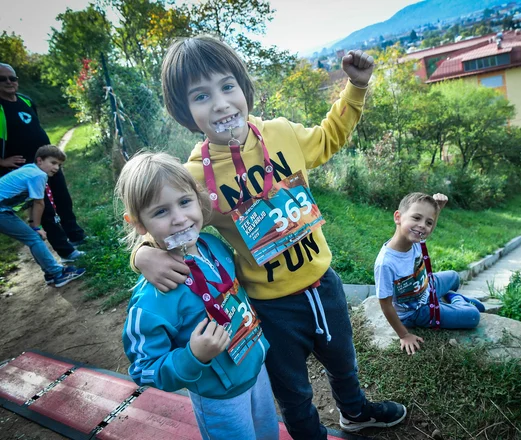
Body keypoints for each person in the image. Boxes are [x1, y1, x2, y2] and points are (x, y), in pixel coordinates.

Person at [131, 36, 406, 439]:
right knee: (292, 389)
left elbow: (330, 135)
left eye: (228, 86)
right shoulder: (192, 177)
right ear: (185, 113)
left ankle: (354, 411)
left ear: (244, 88)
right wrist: (143, 254)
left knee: (343, 360)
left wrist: (357, 87)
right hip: (270, 307)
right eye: (201, 96)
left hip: (324, 283)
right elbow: (168, 220)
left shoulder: (279, 133)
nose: (221, 103)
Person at [117, 152, 278, 440]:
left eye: (184, 202)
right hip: (219, 396)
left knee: (267, 433)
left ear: (197, 197)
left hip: (256, 369)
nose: (179, 219)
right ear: (138, 223)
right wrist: (194, 357)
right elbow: (143, 369)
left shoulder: (214, 245)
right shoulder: (151, 300)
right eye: (160, 212)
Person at [375, 193, 484, 356]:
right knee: (474, 315)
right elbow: (385, 305)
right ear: (398, 217)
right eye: (416, 218)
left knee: (454, 276)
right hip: (416, 310)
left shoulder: (415, 240)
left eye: (428, 222)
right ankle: (456, 300)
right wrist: (404, 335)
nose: (422, 226)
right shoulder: (386, 263)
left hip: (426, 286)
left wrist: (438, 209)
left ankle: (448, 298)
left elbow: (426, 227)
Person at [0, 62, 86, 263]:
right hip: (26, 169)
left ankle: (75, 235)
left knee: (63, 198)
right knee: (44, 207)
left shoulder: (26, 101)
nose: (8, 82)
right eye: (2, 79)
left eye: (12, 78)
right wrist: (2, 161)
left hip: (48, 161)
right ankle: (66, 252)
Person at [0, 145, 85, 287]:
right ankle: (58, 274)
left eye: (59, 164)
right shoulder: (39, 175)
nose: (57, 167)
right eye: (53, 163)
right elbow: (39, 203)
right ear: (40, 160)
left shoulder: (30, 169)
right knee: (33, 238)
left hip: (3, 210)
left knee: (33, 238)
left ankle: (51, 273)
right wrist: (37, 227)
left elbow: (30, 202)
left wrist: (34, 223)